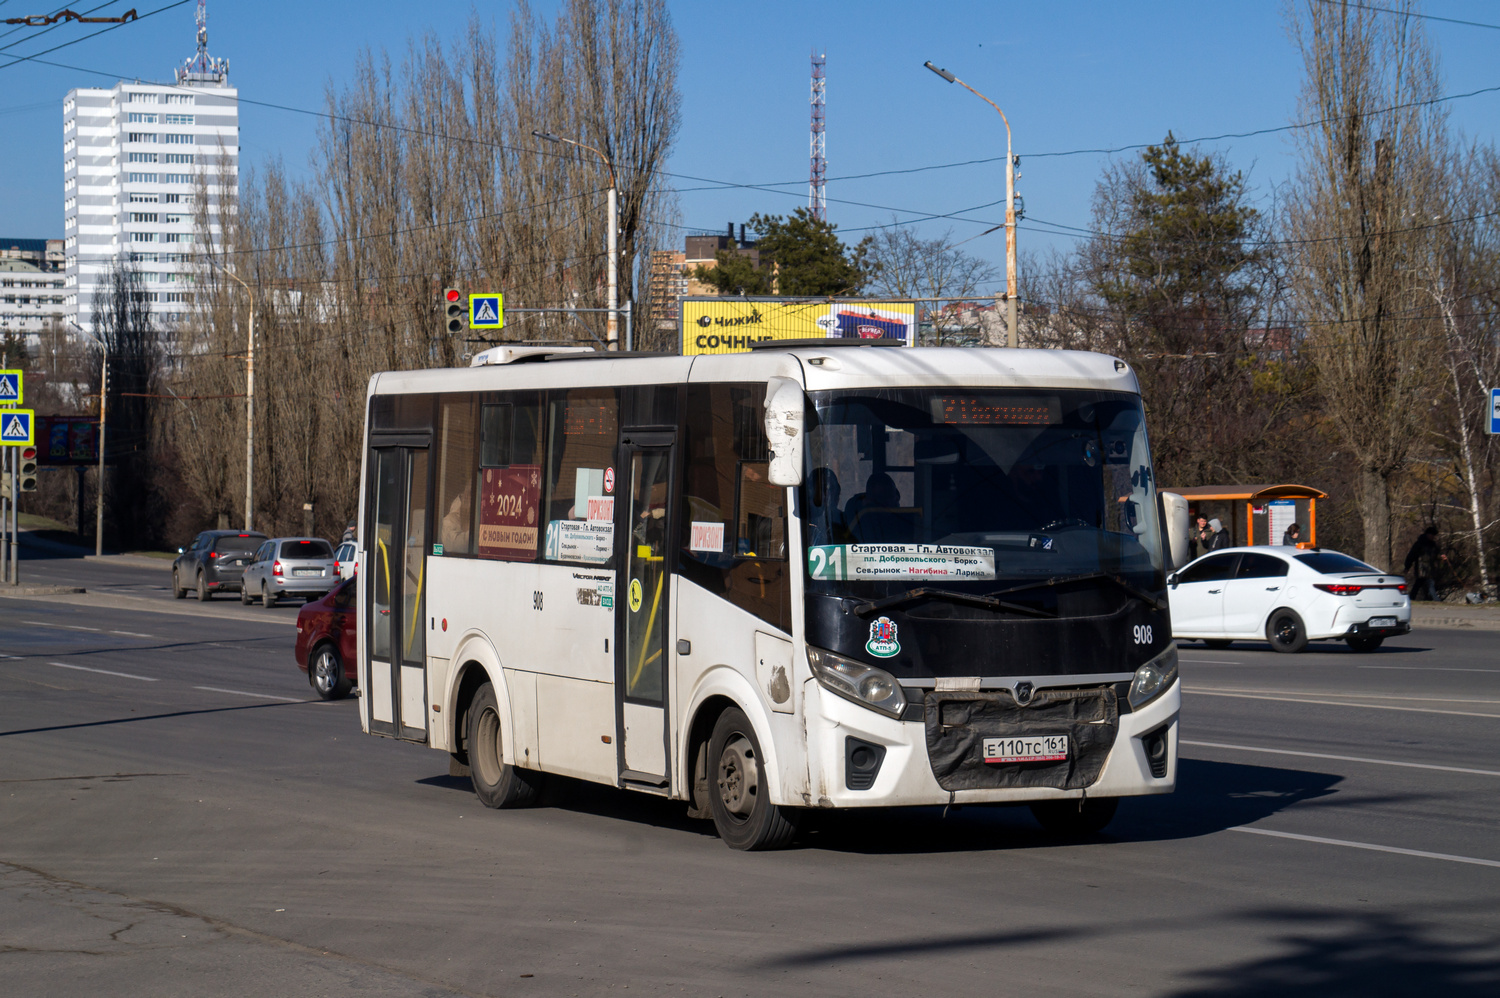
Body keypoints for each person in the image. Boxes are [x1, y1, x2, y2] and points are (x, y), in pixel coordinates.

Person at [805, 468, 847, 546]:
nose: (829, 495)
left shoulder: (845, 523)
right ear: (810, 491)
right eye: (824, 489)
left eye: (832, 489)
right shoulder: (799, 524)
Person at [1403, 526, 1447, 602]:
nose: (1433, 537)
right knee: (1429, 583)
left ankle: (1411, 598)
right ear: (1428, 534)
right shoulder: (1419, 544)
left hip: (1429, 569)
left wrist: (1441, 557)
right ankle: (1436, 600)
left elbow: (1436, 555)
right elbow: (1411, 555)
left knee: (1418, 584)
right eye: (1432, 535)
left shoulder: (1433, 545)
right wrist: (1407, 566)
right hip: (1421, 568)